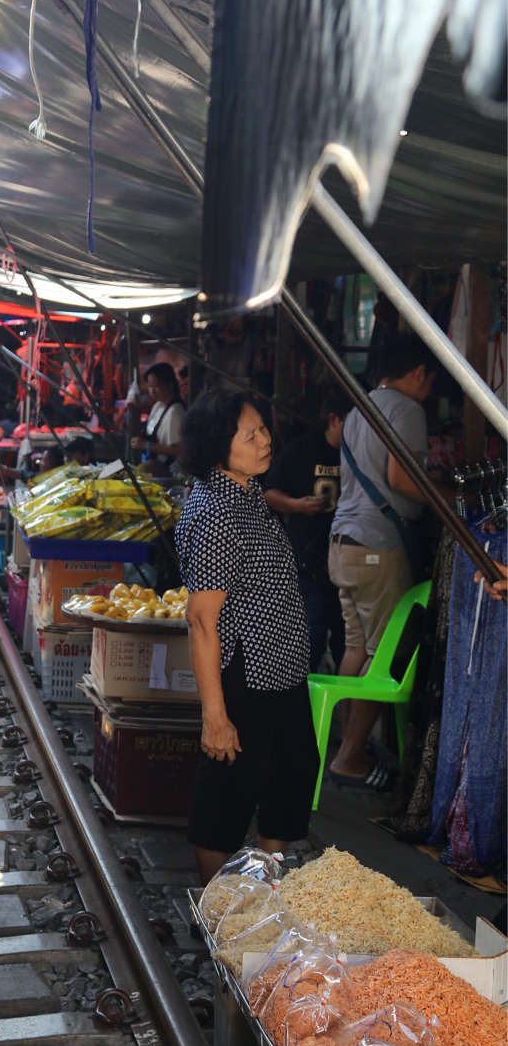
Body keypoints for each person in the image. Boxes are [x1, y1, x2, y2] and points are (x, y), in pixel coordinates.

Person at [175, 389, 317, 885]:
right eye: (250, 433)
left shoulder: (249, 496)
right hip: (246, 673)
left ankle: (265, 895)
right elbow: (201, 620)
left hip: (281, 671)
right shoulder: (217, 512)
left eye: (263, 428)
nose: (265, 439)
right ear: (219, 446)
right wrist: (215, 715)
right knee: (227, 795)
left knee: (287, 781)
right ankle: (216, 913)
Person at [326, 333, 437, 789]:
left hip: (343, 544)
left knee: (356, 649)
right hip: (377, 546)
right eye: (429, 381)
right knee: (380, 656)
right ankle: (349, 757)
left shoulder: (359, 407)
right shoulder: (407, 409)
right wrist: (444, 499)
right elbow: (401, 479)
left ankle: (336, 744)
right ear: (417, 374)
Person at [263, 400, 346, 671]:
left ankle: (342, 711)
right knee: (309, 640)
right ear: (333, 419)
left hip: (347, 561)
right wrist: (297, 506)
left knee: (346, 645)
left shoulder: (362, 453)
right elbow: (269, 493)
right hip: (308, 562)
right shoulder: (301, 450)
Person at [133, 362, 186, 475]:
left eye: (156, 386)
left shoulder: (175, 411)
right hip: (153, 464)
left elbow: (178, 449)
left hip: (169, 470)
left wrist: (146, 445)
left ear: (170, 385)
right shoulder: (157, 406)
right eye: (150, 386)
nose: (152, 391)